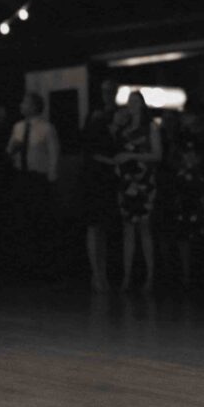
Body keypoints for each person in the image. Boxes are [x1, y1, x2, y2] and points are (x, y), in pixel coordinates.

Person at [6, 92, 60, 277]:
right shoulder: (18, 127)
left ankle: (42, 266)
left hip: (38, 179)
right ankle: (25, 264)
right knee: (22, 221)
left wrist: (52, 177)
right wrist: (13, 150)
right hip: (22, 177)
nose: (21, 106)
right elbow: (9, 151)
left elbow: (54, 155)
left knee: (39, 221)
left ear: (34, 106)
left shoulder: (47, 128)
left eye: (25, 103)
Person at [115, 91, 162, 293]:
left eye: (136, 101)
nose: (132, 105)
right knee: (128, 229)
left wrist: (132, 156)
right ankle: (127, 276)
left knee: (144, 228)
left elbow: (158, 155)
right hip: (127, 182)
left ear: (142, 105)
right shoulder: (124, 129)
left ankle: (150, 276)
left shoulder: (150, 127)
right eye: (130, 101)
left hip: (144, 181)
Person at [169, 101, 204, 291]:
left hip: (202, 186)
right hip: (186, 187)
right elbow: (172, 159)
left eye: (187, 114)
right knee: (185, 230)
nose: (184, 118)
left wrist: (196, 162)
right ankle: (189, 275)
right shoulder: (180, 137)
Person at [80, 106, 125, 293]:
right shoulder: (100, 132)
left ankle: (101, 273)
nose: (124, 116)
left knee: (103, 230)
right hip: (95, 183)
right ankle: (96, 274)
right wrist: (113, 162)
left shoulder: (121, 135)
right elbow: (92, 154)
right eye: (121, 113)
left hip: (109, 185)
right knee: (94, 227)